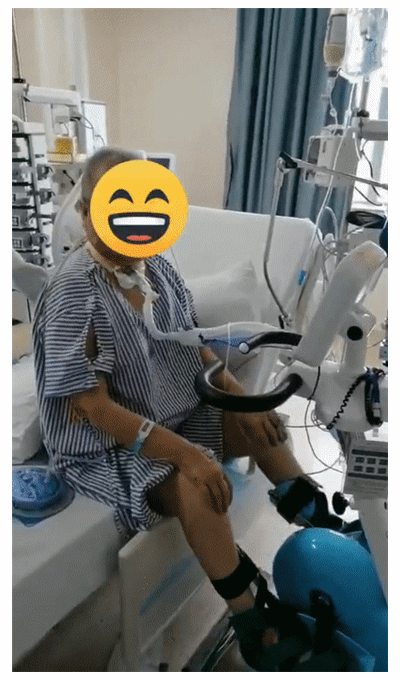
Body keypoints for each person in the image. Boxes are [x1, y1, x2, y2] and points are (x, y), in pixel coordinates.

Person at [33, 147, 312, 670]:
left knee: (267, 427)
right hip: (104, 445)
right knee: (196, 485)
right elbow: (92, 407)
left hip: (173, 412)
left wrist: (247, 404)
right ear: (87, 214)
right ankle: (251, 618)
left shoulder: (158, 268)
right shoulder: (74, 292)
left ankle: (317, 523)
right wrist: (187, 455)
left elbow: (197, 349)